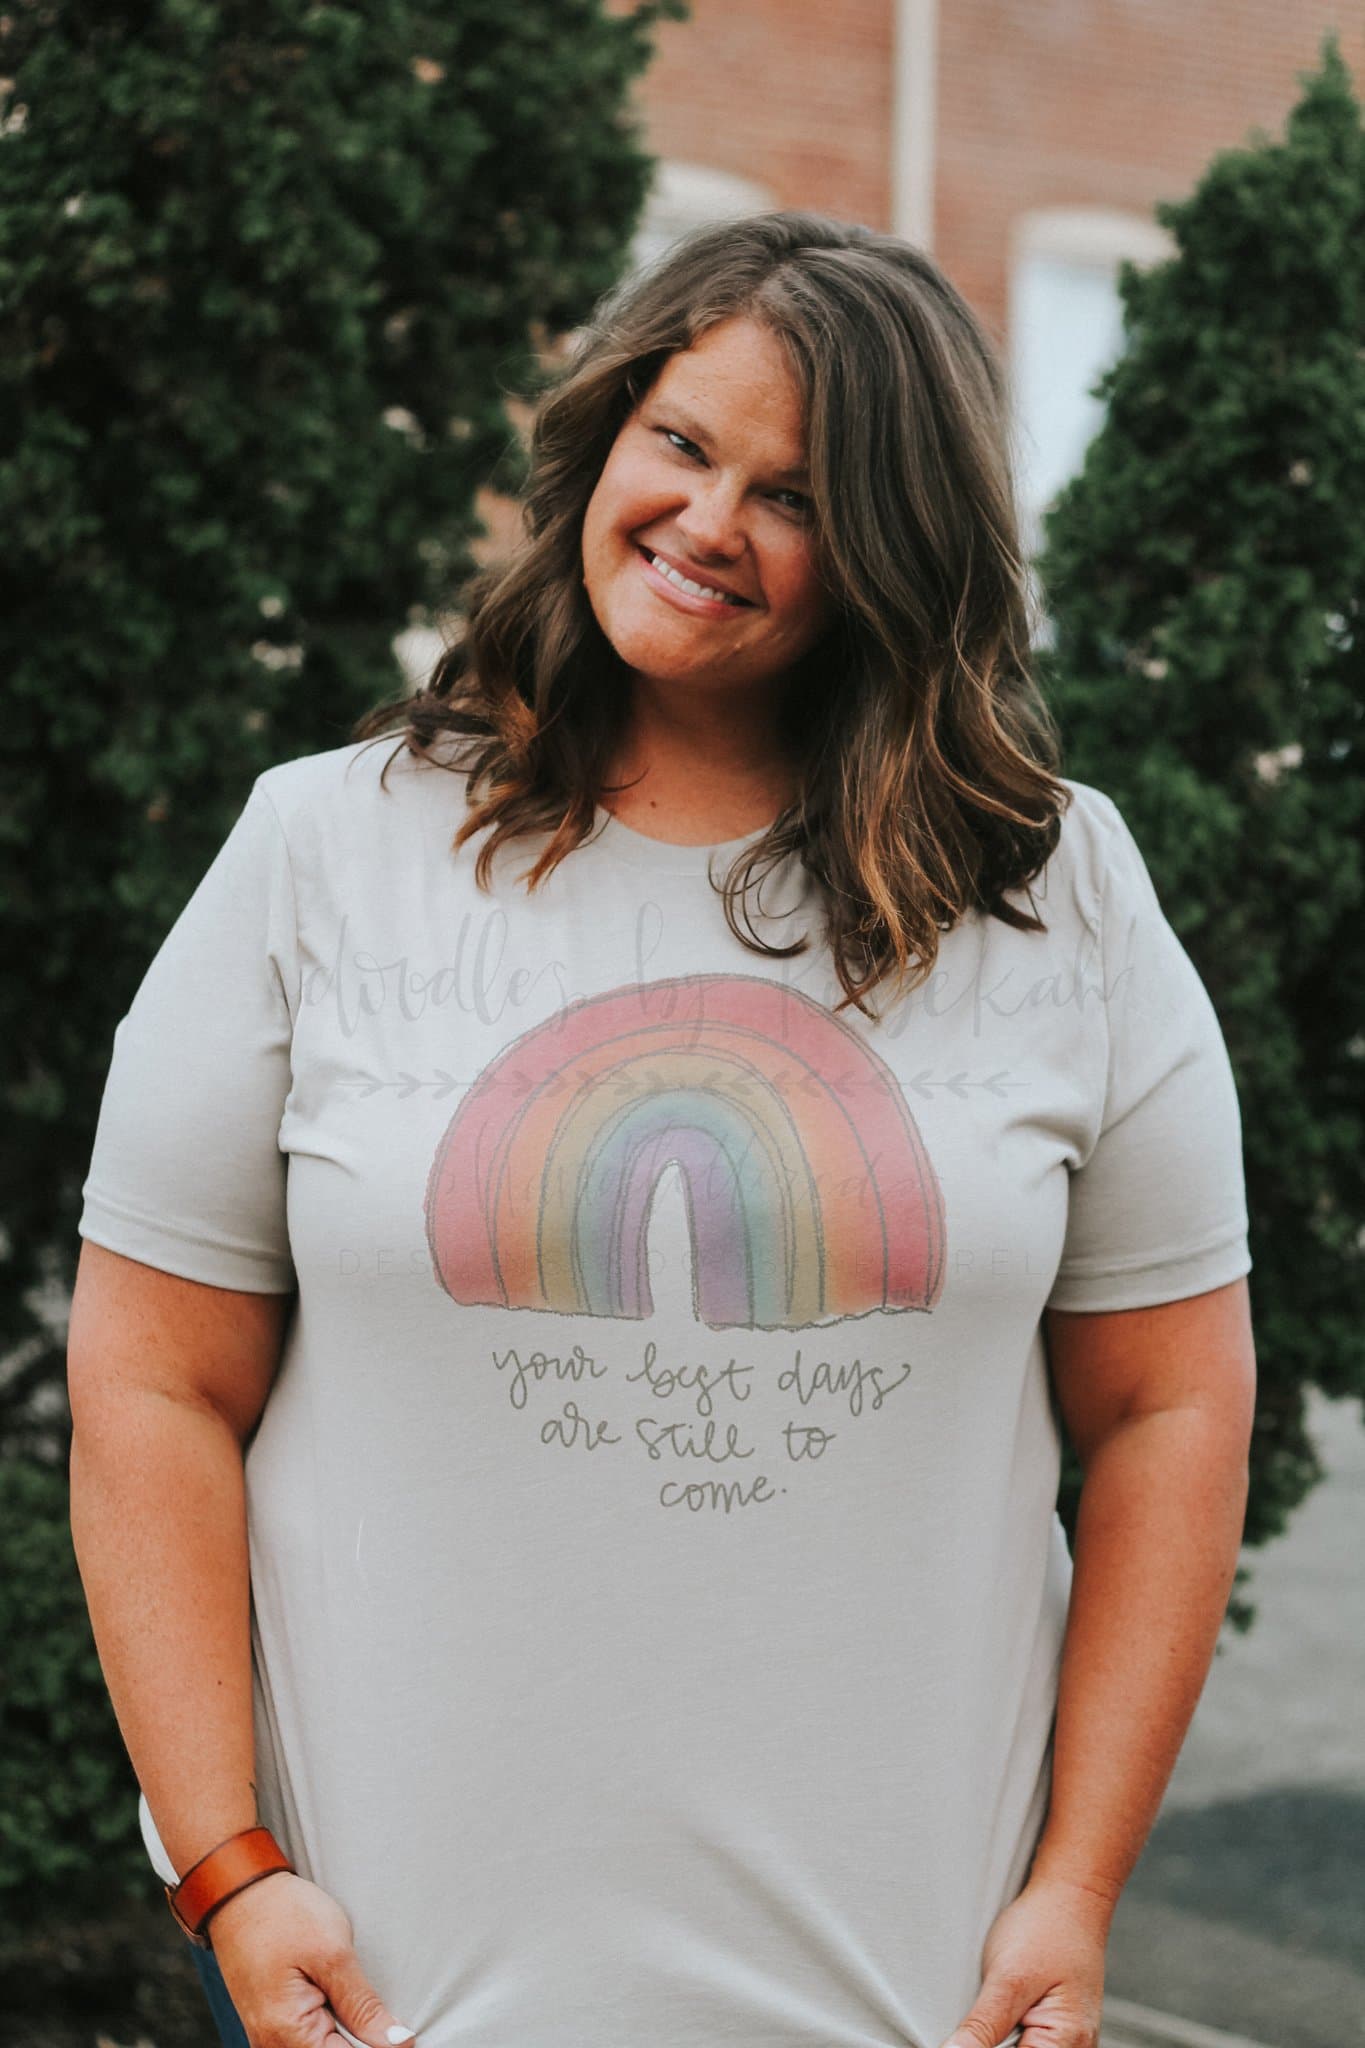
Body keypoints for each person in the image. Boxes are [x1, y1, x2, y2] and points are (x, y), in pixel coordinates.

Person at [67, 210, 1256, 2048]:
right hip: (379, 2000)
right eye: (681, 444)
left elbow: (1170, 1409)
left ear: (895, 550)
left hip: (905, 1997)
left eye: (795, 497)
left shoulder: (1055, 893)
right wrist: (226, 1868)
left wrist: (1076, 1894)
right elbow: (152, 1381)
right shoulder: (326, 848)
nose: (708, 522)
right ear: (605, 434)